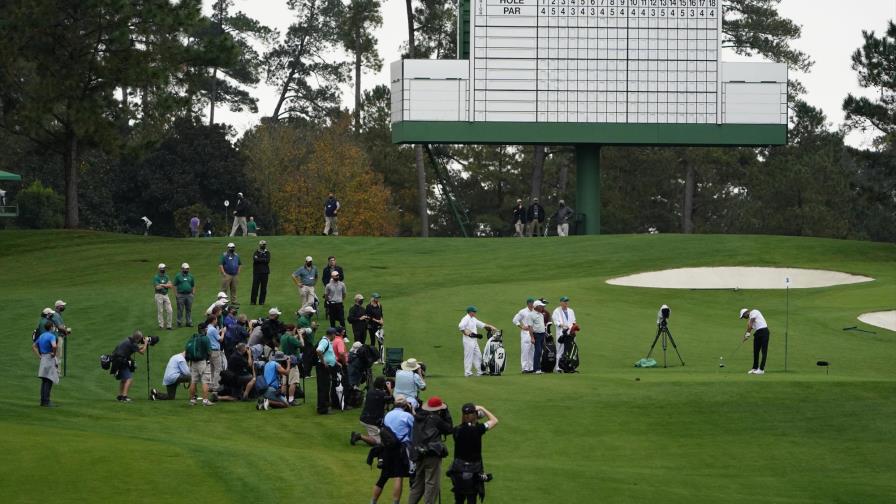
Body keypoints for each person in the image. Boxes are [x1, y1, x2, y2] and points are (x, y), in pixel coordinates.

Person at [449, 404, 499, 504]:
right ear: (474, 415)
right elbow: (494, 420)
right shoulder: (478, 429)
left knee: (458, 501)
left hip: (458, 470)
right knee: (472, 500)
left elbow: (463, 425)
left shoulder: (456, 430)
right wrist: (482, 408)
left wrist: (468, 416)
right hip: (473, 471)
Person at [408, 396, 454, 504]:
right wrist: (446, 412)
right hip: (431, 453)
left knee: (417, 484)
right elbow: (449, 429)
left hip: (418, 453)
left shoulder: (418, 416)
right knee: (431, 484)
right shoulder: (435, 419)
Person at [370, 394, 415, 504]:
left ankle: (373, 501)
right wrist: (412, 412)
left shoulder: (388, 415)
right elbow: (413, 433)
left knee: (383, 478)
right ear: (405, 405)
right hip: (400, 449)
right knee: (398, 476)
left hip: (387, 449)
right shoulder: (407, 416)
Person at [351, 376, 393, 446]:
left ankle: (372, 434)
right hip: (372, 421)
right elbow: (392, 400)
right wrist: (389, 389)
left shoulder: (370, 391)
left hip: (364, 417)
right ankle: (359, 436)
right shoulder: (382, 394)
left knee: (381, 433)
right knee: (378, 442)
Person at [458, 306, 497, 377]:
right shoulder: (466, 318)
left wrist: (491, 326)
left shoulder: (473, 319)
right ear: (470, 312)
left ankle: (481, 372)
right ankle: (467, 373)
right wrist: (466, 333)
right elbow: (460, 326)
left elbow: (481, 324)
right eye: (474, 311)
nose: (475, 312)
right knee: (469, 356)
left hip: (474, 340)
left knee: (478, 355)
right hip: (468, 340)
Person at [111, 330, 148, 402]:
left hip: (116, 360)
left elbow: (135, 348)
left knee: (123, 379)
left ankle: (120, 396)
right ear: (138, 338)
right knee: (129, 379)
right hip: (121, 361)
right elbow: (142, 352)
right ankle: (124, 397)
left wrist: (142, 346)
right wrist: (146, 343)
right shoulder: (132, 344)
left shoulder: (128, 340)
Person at [32, 320, 59, 407]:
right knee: (49, 380)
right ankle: (47, 401)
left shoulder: (42, 336)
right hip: (49, 358)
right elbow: (54, 346)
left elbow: (34, 346)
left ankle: (43, 401)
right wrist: (54, 354)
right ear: (51, 327)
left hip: (43, 357)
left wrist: (39, 356)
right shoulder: (52, 336)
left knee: (44, 380)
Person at [186, 324, 213, 406]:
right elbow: (209, 352)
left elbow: (187, 350)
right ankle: (205, 400)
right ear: (204, 330)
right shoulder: (205, 338)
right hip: (202, 362)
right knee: (205, 381)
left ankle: (192, 400)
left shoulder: (193, 338)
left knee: (193, 381)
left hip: (193, 362)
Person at [279, 326, 306, 405]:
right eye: (295, 330)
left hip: (284, 361)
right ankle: (291, 399)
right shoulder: (291, 338)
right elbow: (302, 344)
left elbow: (291, 341)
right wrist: (300, 335)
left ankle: (283, 398)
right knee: (293, 382)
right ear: (292, 330)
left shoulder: (283, 337)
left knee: (284, 382)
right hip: (292, 362)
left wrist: (296, 336)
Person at [740, 308, 771, 375]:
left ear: (746, 313)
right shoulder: (750, 319)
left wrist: (747, 335)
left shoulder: (754, 312)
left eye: (743, 316)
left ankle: (761, 369)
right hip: (758, 333)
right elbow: (750, 327)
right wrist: (746, 336)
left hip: (764, 331)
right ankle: (755, 368)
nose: (744, 318)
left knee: (764, 351)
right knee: (756, 351)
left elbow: (750, 324)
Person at [551, 296, 577, 372]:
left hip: (570, 333)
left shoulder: (571, 311)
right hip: (561, 333)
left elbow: (574, 321)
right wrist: (562, 325)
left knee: (570, 350)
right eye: (564, 301)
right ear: (561, 302)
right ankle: (558, 367)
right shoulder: (557, 311)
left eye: (567, 301)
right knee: (560, 349)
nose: (566, 303)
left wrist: (573, 329)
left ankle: (568, 365)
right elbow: (556, 321)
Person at [315, 328, 338, 414]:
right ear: (332, 334)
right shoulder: (324, 341)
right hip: (323, 367)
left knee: (325, 387)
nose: (335, 337)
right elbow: (318, 350)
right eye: (334, 335)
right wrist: (323, 362)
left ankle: (324, 406)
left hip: (325, 367)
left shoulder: (327, 341)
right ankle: (322, 409)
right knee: (323, 388)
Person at [512, 297, 536, 373]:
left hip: (533, 332)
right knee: (525, 350)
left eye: (533, 303)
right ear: (528, 303)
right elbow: (515, 320)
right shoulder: (523, 311)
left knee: (532, 350)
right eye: (531, 303)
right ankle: (524, 368)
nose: (532, 304)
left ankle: (531, 367)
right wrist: (521, 326)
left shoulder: (535, 311)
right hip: (525, 333)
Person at [205, 315, 225, 394]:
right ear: (213, 320)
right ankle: (215, 386)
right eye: (216, 319)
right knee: (218, 369)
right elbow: (220, 339)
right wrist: (223, 332)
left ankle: (211, 386)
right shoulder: (213, 329)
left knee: (212, 369)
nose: (217, 321)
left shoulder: (208, 328)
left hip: (210, 351)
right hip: (215, 351)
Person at [528, 300, 548, 374]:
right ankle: (536, 369)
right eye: (541, 306)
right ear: (536, 307)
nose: (543, 307)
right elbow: (530, 327)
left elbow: (542, 326)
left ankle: (539, 368)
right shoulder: (531, 315)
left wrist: (545, 336)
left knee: (541, 352)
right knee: (538, 351)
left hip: (542, 334)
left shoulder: (541, 314)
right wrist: (532, 337)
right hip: (536, 335)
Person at [174, 263, 195, 328]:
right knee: (180, 309)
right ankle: (179, 322)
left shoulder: (191, 276)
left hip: (189, 295)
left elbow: (193, 285)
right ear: (182, 269)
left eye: (187, 269)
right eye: (185, 269)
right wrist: (176, 294)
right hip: (181, 295)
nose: (186, 270)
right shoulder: (178, 276)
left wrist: (193, 293)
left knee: (189, 309)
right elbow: (174, 285)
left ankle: (188, 322)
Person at [153, 263, 174, 330]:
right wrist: (166, 285)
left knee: (170, 310)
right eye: (163, 268)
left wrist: (162, 284)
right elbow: (157, 287)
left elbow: (170, 285)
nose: (164, 269)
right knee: (160, 311)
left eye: (165, 268)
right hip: (158, 295)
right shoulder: (156, 277)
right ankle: (161, 325)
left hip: (166, 295)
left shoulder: (166, 276)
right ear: (160, 269)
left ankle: (169, 325)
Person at [251, 240, 270, 305]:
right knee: (255, 287)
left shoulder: (267, 252)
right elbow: (255, 260)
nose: (263, 245)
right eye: (262, 244)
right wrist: (263, 259)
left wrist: (259, 259)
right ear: (260, 245)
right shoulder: (256, 252)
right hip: (256, 272)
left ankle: (261, 302)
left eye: (264, 244)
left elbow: (267, 260)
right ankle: (253, 301)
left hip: (265, 273)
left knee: (263, 288)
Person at [366, 293, 384, 359]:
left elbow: (381, 314)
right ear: (373, 298)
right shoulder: (369, 306)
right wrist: (377, 321)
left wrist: (382, 320)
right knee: (372, 341)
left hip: (379, 326)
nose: (378, 299)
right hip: (372, 326)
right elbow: (369, 317)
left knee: (380, 341)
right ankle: (373, 356)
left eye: (378, 298)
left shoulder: (379, 305)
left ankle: (380, 357)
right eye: (376, 298)